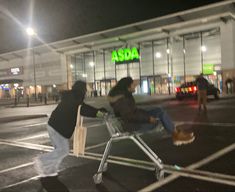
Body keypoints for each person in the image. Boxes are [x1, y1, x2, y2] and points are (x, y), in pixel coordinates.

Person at [34, 80, 107, 178]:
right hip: (58, 128)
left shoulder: (72, 97)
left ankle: (49, 170)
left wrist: (98, 111)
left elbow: (82, 108)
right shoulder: (75, 98)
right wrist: (99, 113)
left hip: (55, 126)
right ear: (82, 89)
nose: (86, 91)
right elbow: (83, 109)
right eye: (85, 89)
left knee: (59, 150)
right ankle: (42, 160)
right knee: (63, 150)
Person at [108, 77, 195, 146]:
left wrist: (146, 114)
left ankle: (176, 134)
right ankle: (176, 135)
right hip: (134, 126)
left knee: (159, 111)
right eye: (133, 85)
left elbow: (133, 111)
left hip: (134, 122)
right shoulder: (122, 100)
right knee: (161, 121)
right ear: (128, 87)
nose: (135, 87)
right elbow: (129, 115)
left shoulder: (125, 96)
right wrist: (148, 118)